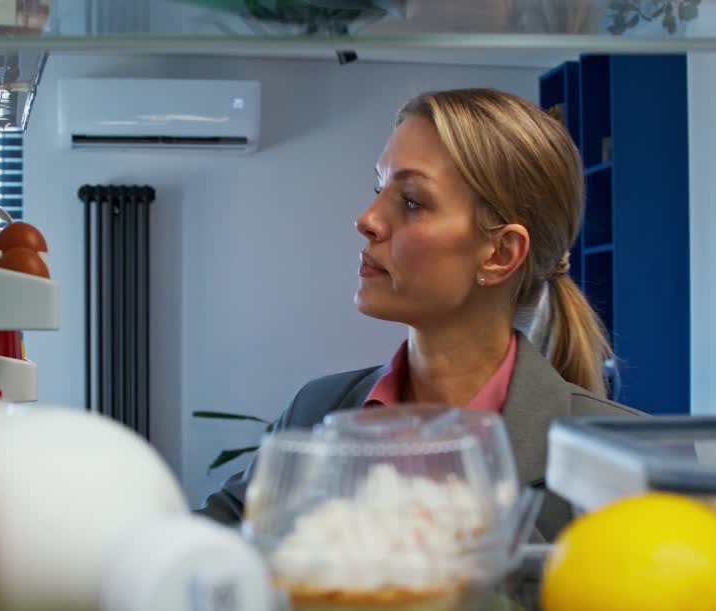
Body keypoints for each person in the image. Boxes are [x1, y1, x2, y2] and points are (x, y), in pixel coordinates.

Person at [196, 88, 640, 541]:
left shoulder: (619, 453)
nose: (366, 219)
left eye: (412, 201)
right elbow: (203, 548)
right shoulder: (315, 410)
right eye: (378, 189)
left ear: (500, 253)